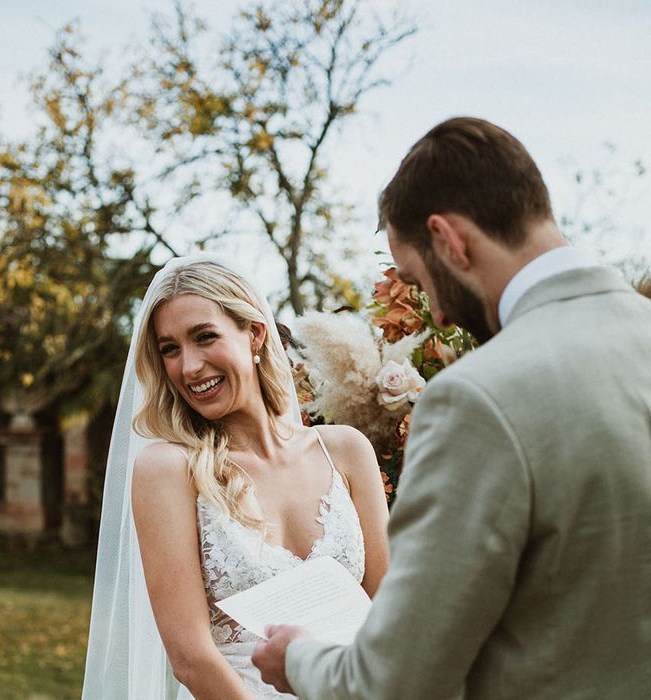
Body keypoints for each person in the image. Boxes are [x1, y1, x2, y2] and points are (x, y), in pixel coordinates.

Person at [252, 117, 651, 698]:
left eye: (420, 278)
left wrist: (298, 659)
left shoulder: (478, 399)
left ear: (450, 240)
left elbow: (392, 684)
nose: (437, 315)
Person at [81, 255, 390, 699]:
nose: (189, 367)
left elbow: (388, 614)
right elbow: (189, 656)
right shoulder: (167, 469)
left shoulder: (344, 449)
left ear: (254, 334)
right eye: (170, 349)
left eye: (205, 337)